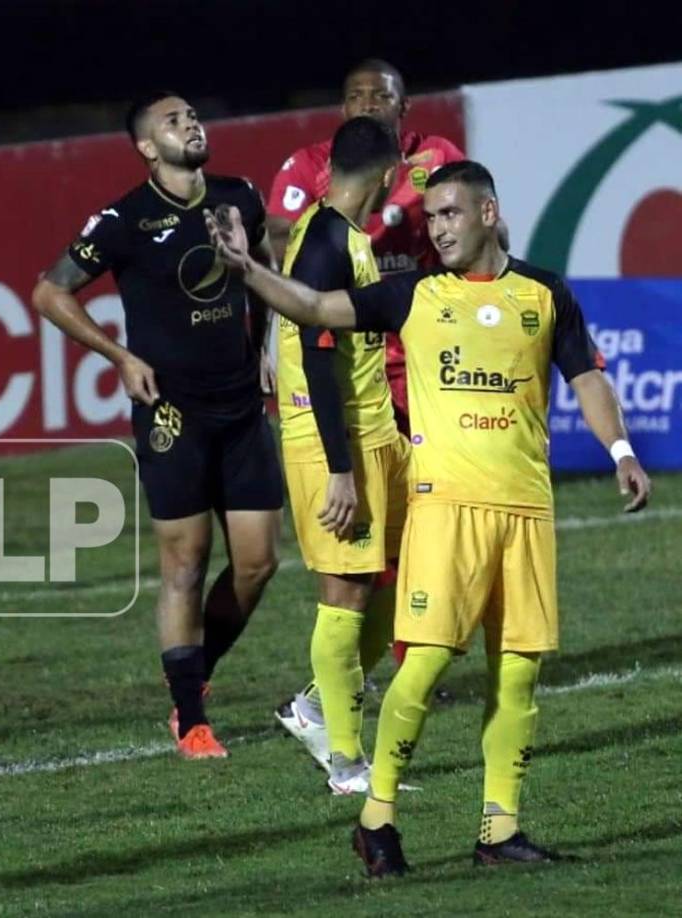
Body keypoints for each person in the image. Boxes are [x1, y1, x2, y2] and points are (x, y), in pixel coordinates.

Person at [205, 161, 651, 874]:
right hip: (445, 512)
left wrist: (621, 450)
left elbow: (587, 375)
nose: (436, 228)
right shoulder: (413, 294)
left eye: (450, 213)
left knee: (518, 675)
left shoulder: (544, 294)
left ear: (488, 213)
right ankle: (377, 818)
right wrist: (249, 270)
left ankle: (499, 831)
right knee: (423, 666)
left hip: (526, 513)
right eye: (432, 215)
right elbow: (315, 307)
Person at [33, 92, 283, 760]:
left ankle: (193, 677)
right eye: (172, 121)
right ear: (147, 147)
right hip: (173, 412)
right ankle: (192, 718)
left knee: (258, 563)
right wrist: (119, 356)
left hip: (242, 408)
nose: (190, 124)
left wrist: (264, 344)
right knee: (186, 563)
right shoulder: (125, 220)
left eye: (192, 115)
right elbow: (50, 292)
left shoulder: (238, 196)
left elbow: (266, 269)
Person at [273, 115, 407, 795]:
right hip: (333, 445)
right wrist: (339, 470)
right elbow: (316, 359)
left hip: (374, 434)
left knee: (400, 582)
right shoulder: (325, 243)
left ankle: (315, 707)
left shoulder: (342, 235)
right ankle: (346, 762)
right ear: (388, 175)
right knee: (346, 594)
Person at [266, 58, 465, 432]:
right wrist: (339, 246)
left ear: (403, 106)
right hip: (351, 342)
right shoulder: (309, 164)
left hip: (423, 338)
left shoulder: (436, 156)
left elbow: (481, 228)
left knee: (438, 457)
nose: (368, 104)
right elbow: (277, 240)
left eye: (381, 95)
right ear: (344, 108)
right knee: (359, 458)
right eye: (357, 96)